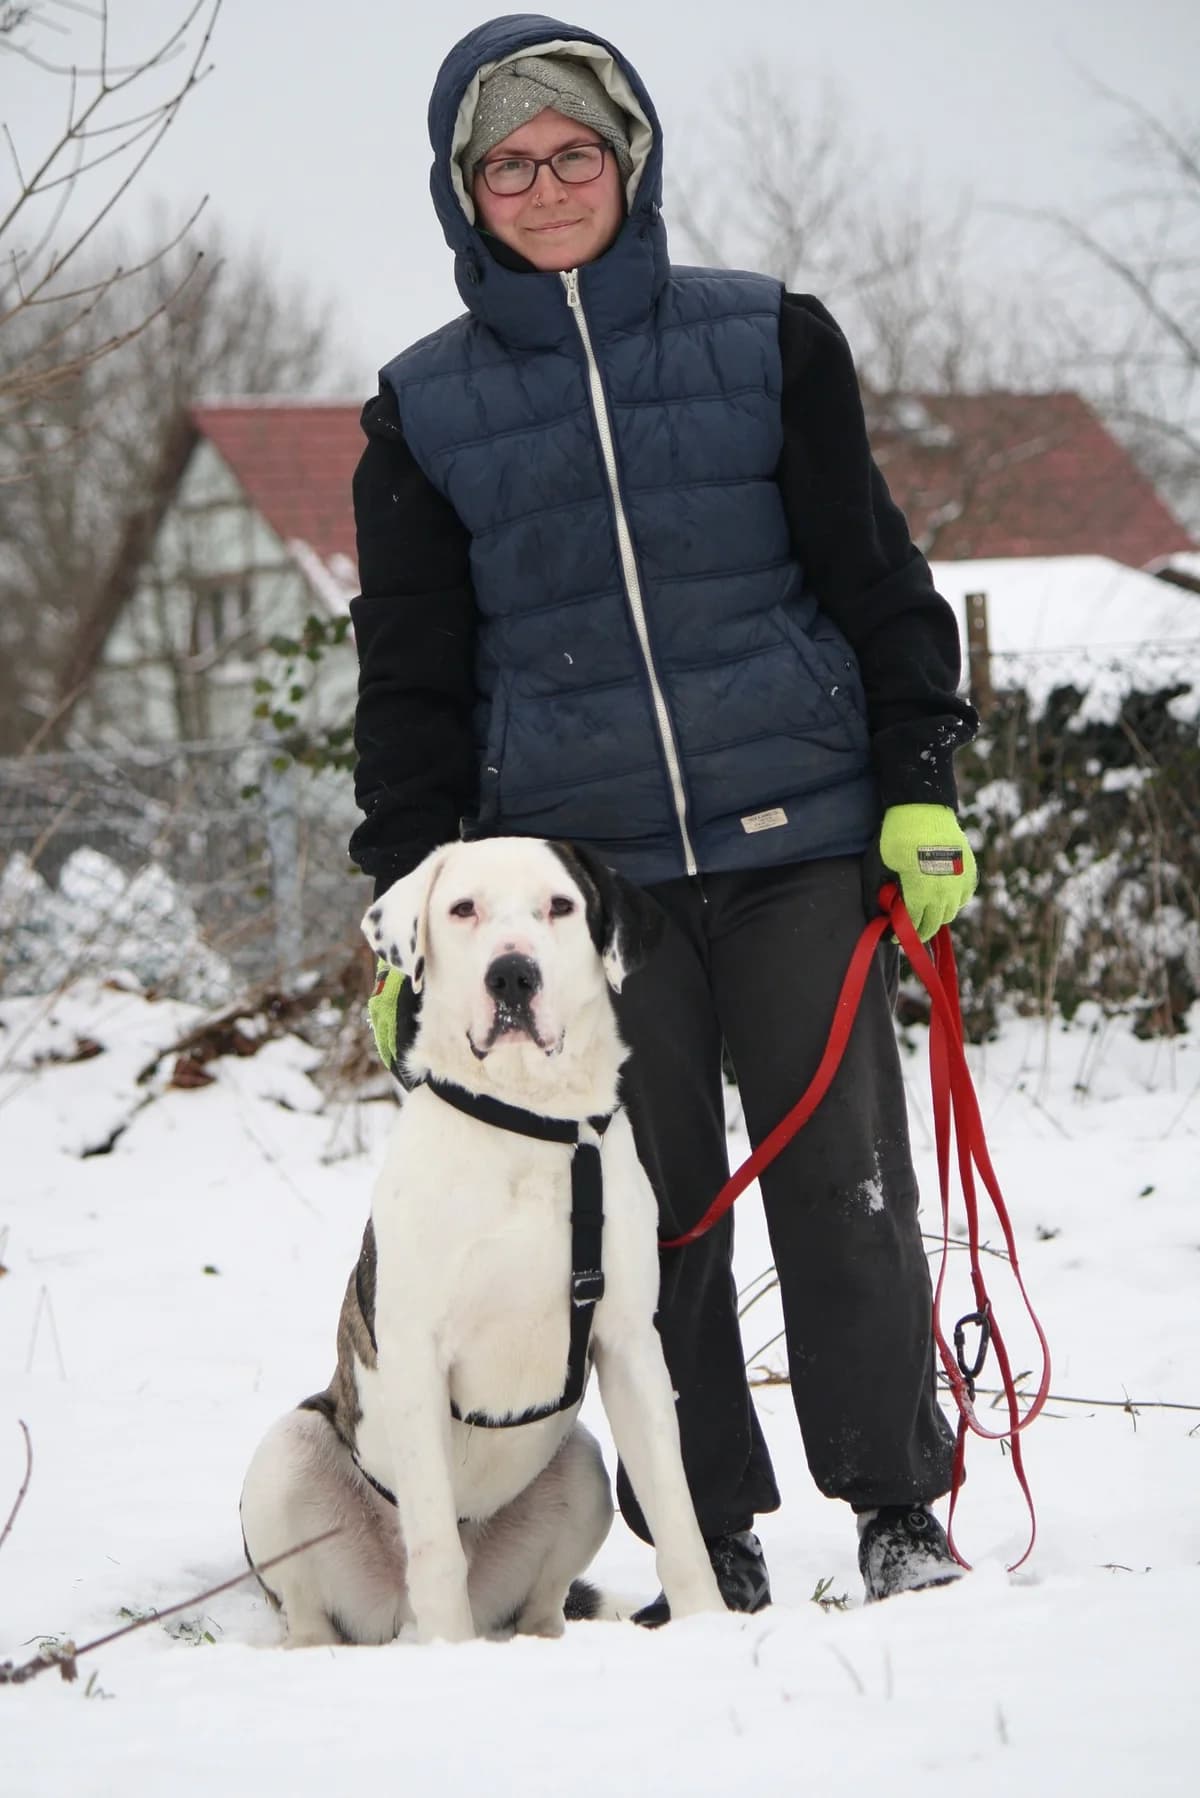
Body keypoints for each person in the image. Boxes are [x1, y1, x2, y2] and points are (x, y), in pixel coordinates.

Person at [348, 14, 979, 1611]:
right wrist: (409, 904)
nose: (546, 184)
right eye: (510, 162)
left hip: (801, 838)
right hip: (583, 884)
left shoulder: (769, 337)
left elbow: (876, 580)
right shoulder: (422, 409)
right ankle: (711, 1532)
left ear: (628, 164)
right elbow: (414, 681)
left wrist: (916, 785)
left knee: (843, 1182)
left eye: (574, 153)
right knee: (655, 1210)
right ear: (462, 192)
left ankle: (899, 1502)